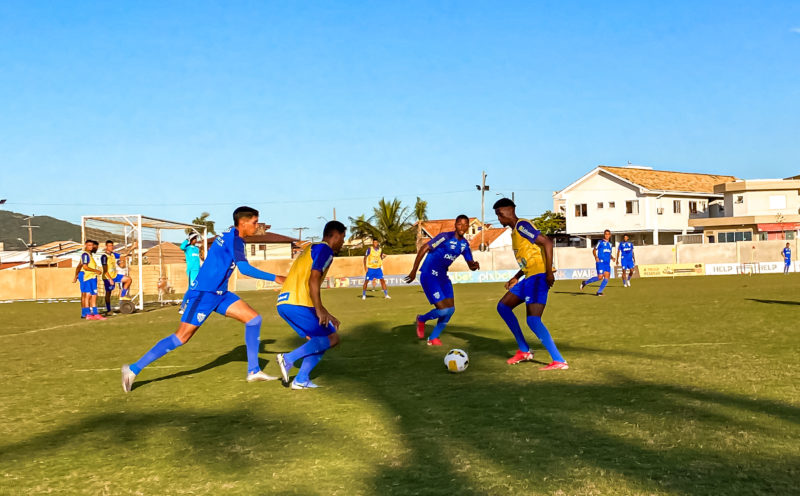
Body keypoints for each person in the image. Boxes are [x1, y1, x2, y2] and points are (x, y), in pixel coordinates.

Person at [121, 207, 286, 392]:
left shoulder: (231, 234)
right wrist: (277, 278)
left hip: (220, 294)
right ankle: (133, 369)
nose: (257, 226)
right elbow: (245, 269)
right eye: (255, 222)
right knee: (182, 337)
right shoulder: (235, 240)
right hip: (203, 294)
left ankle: (254, 371)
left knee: (254, 319)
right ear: (243, 222)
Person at [493, 198, 568, 370]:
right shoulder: (515, 232)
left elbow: (547, 242)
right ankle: (524, 350)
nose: (498, 218)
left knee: (533, 320)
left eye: (498, 214)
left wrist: (549, 272)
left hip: (539, 276)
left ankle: (559, 361)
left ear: (506, 211)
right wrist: (516, 276)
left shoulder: (522, 225)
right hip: (529, 277)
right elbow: (530, 257)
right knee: (503, 306)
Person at [276, 221, 347, 389]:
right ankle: (288, 359)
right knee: (333, 338)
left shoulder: (310, 248)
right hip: (298, 303)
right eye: (343, 238)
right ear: (334, 236)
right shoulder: (325, 250)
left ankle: (301, 380)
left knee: (322, 339)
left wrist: (325, 311)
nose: (343, 242)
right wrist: (319, 309)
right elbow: (313, 278)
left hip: (285, 303)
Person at [404, 215, 479, 345]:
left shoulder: (464, 245)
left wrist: (474, 265)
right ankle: (421, 319)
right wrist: (413, 270)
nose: (462, 227)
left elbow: (470, 264)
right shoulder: (445, 237)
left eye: (465, 224)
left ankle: (433, 338)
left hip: (443, 277)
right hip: (429, 275)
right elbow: (424, 248)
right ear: (455, 225)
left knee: (451, 310)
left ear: (468, 227)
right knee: (444, 310)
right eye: (460, 224)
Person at [73, 240, 106, 320]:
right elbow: (84, 267)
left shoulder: (89, 255)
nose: (91, 247)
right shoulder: (85, 255)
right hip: (87, 277)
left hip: (91, 277)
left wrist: (76, 275)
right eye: (89, 245)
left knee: (93, 295)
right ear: (85, 245)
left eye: (92, 245)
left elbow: (79, 266)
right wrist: (96, 271)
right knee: (87, 295)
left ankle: (92, 313)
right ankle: (87, 313)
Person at [101, 240, 133, 314]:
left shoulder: (113, 254)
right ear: (106, 247)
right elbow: (105, 270)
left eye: (112, 245)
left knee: (128, 279)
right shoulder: (104, 257)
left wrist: (132, 248)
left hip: (115, 276)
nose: (111, 247)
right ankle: (109, 310)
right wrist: (110, 279)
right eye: (109, 246)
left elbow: (124, 255)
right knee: (108, 293)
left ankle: (122, 295)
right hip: (107, 277)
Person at [580, 229, 614, 296]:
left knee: (607, 277)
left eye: (608, 234)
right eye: (605, 234)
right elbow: (594, 250)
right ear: (604, 235)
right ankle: (585, 282)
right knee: (600, 277)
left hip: (607, 263)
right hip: (600, 262)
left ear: (610, 235)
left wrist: (612, 258)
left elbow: (609, 253)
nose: (607, 235)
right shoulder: (600, 242)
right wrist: (596, 257)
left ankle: (599, 292)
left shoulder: (610, 244)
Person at [179, 233, 203, 313]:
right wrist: (187, 239)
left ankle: (193, 304)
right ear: (191, 239)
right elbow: (181, 247)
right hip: (191, 272)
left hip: (198, 271)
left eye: (196, 238)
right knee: (191, 288)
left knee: (198, 288)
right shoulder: (187, 248)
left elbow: (198, 260)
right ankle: (183, 307)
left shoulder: (196, 249)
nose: (195, 240)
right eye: (194, 238)